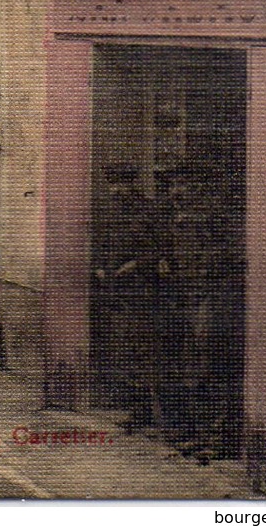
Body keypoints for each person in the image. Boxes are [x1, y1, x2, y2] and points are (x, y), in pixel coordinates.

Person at [92, 162, 168, 431]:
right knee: (124, 351)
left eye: (120, 184)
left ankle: (152, 413)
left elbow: (161, 247)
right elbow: (102, 244)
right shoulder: (110, 212)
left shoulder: (148, 210)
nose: (116, 190)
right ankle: (136, 410)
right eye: (112, 184)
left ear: (131, 184)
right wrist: (100, 266)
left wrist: (136, 264)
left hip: (142, 290)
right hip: (117, 292)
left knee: (144, 351)